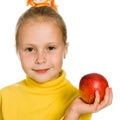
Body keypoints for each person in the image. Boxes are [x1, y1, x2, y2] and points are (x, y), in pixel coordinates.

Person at [0, 0, 113, 120]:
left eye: (50, 48)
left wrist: (73, 113)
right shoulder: (4, 97)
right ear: (17, 51)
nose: (40, 59)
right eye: (29, 49)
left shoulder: (79, 102)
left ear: (65, 49)